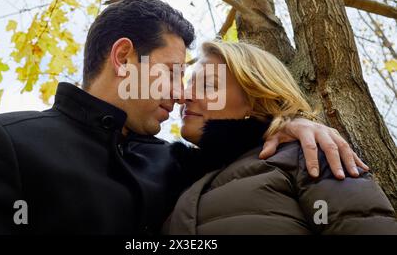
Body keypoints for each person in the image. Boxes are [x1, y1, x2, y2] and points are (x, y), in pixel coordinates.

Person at [0, 0, 367, 234]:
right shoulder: (5, 141)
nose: (182, 91)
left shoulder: (179, 165)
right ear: (124, 57)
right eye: (172, 72)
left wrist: (290, 122)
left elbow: (244, 162)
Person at [164, 41, 397, 235]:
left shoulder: (309, 153)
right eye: (189, 86)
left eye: (207, 85)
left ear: (256, 100)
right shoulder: (172, 183)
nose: (185, 96)